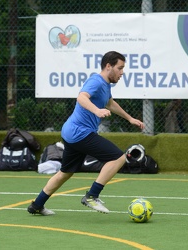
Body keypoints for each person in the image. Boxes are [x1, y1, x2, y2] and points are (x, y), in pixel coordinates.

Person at [27, 51, 145, 216]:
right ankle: (92, 196)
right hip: (79, 133)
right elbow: (81, 97)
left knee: (65, 172)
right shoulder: (96, 81)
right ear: (108, 66)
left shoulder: (105, 85)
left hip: (72, 133)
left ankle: (36, 205)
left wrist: (130, 118)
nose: (122, 72)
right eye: (120, 68)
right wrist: (97, 111)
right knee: (118, 157)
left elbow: (110, 103)